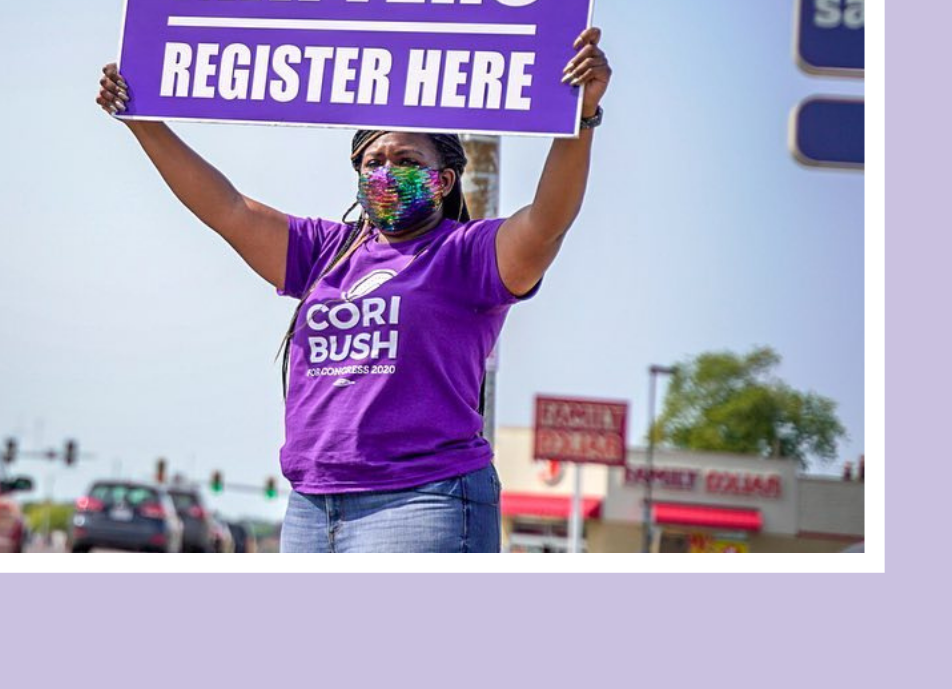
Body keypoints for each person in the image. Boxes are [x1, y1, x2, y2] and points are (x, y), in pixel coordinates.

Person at [95, 28, 612, 553]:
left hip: (422, 502)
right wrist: (143, 122)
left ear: (445, 181)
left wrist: (583, 118)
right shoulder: (325, 250)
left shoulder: (467, 254)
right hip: (311, 507)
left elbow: (547, 222)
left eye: (408, 161)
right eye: (374, 162)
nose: (387, 172)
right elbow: (226, 209)